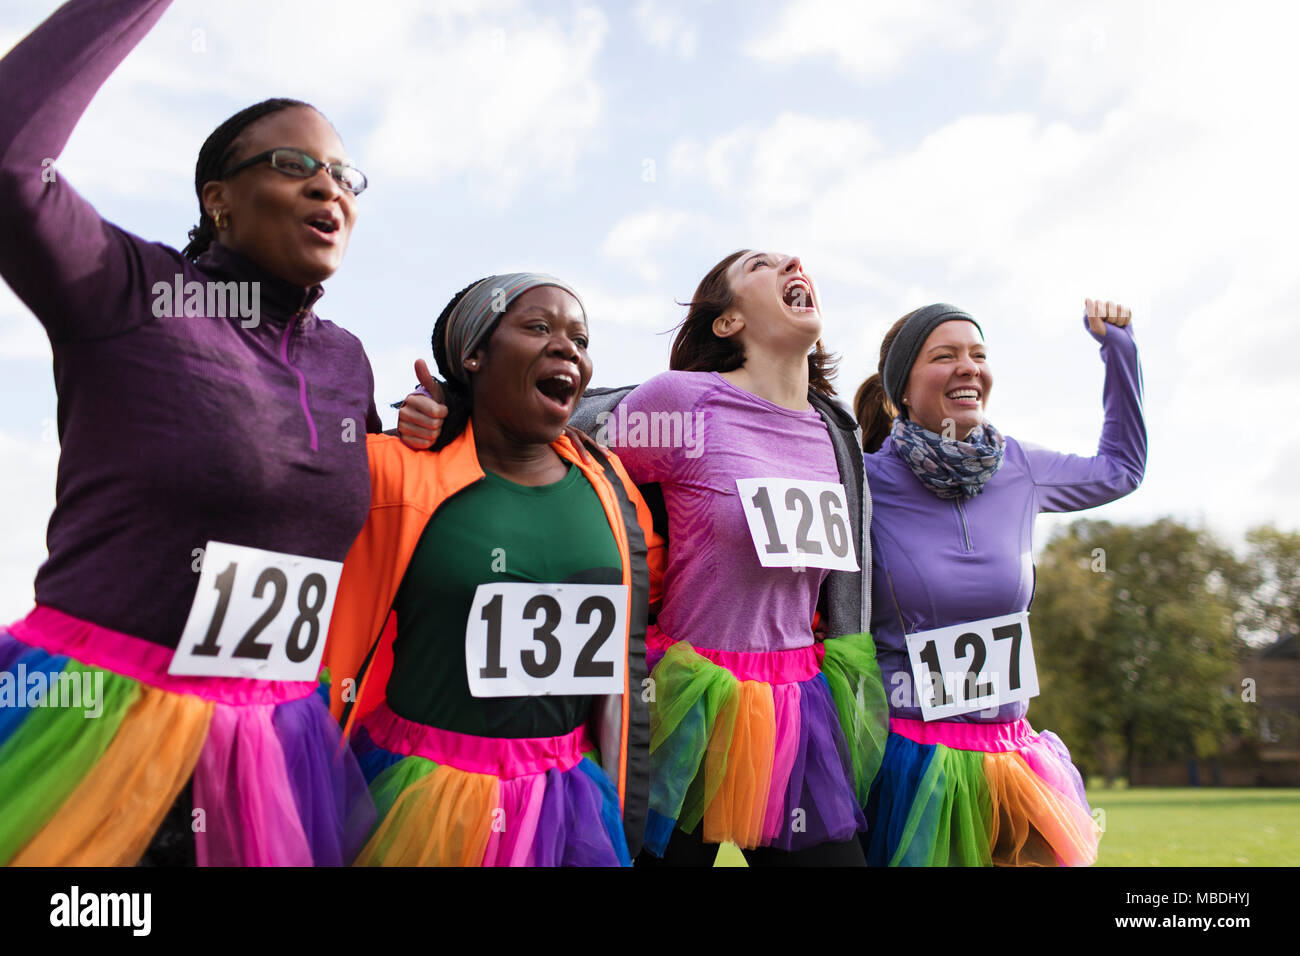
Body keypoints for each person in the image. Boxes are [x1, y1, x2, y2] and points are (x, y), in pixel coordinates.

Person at [0, 0, 378, 865]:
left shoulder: (348, 362)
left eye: (345, 177)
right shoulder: (128, 289)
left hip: (271, 751)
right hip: (91, 733)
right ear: (219, 200)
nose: (330, 187)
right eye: (296, 165)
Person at [323, 273, 662, 866]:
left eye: (580, 339)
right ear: (473, 355)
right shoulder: (393, 470)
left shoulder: (610, 481)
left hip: (567, 800)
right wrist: (437, 412)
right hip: (419, 799)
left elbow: (651, 599)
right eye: (538, 327)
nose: (568, 349)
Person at [853, 299, 1145, 866]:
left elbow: (1120, 470)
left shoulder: (1021, 468)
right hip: (905, 758)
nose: (968, 366)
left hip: (1011, 757)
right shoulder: (862, 480)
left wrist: (1120, 350)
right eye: (945, 355)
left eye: (978, 354)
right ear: (902, 392)